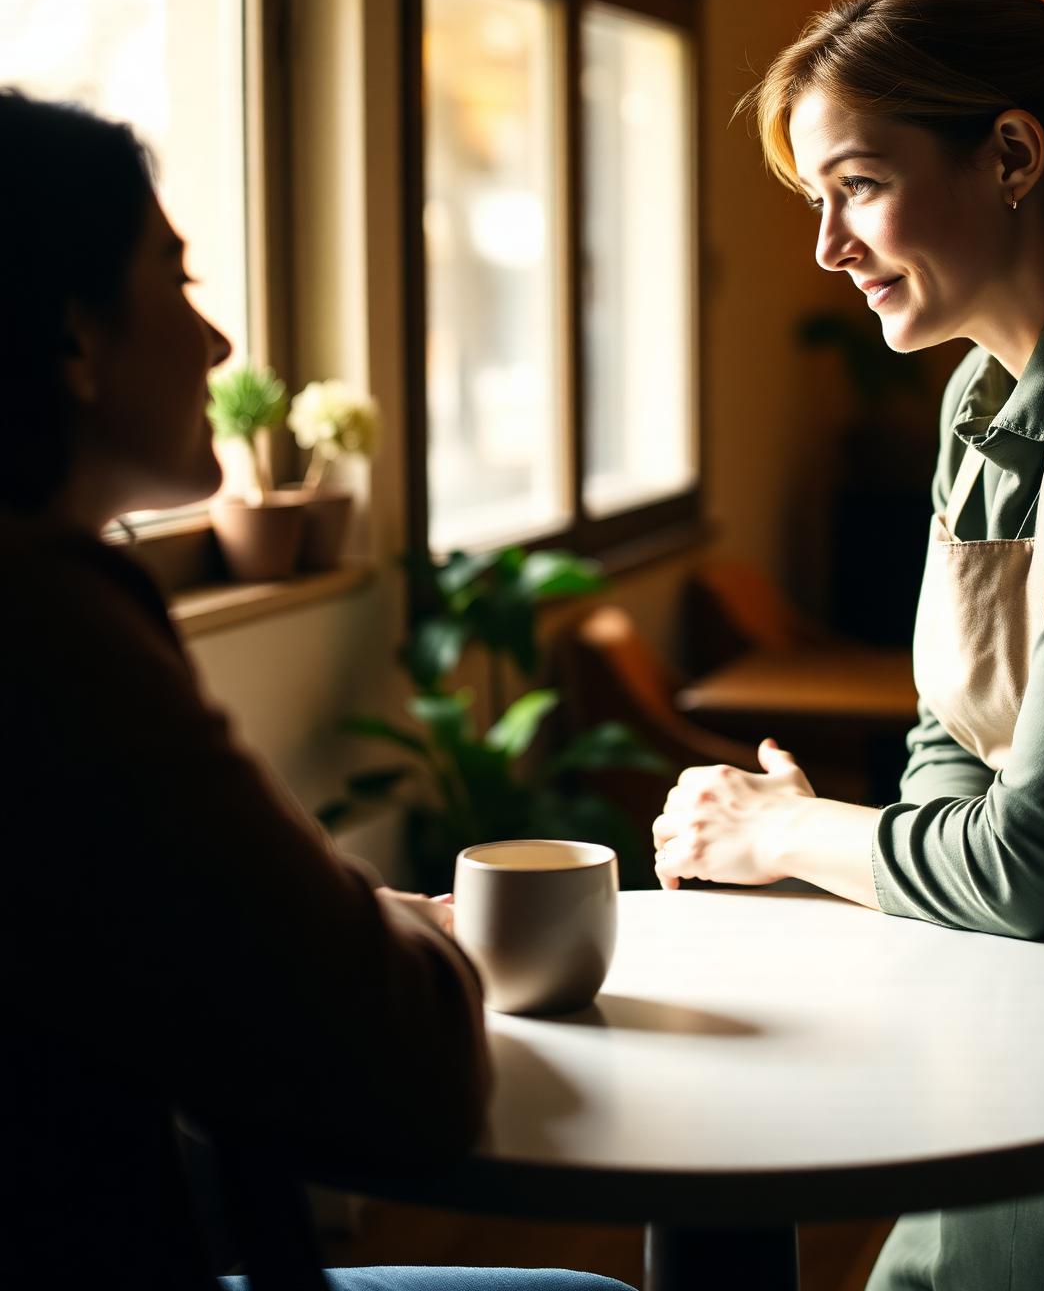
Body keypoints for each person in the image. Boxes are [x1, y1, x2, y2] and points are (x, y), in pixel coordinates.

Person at [651, 0, 1044, 1289]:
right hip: (1031, 989)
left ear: (1008, 154)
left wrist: (786, 831)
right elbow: (950, 734)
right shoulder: (980, 393)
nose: (827, 247)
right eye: (817, 201)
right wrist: (940, 854)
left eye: (859, 187)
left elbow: (1034, 854)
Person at [0, 89, 635, 1291]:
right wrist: (401, 930)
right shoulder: (54, 629)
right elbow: (411, 1074)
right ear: (75, 339)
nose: (220, 346)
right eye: (178, 285)